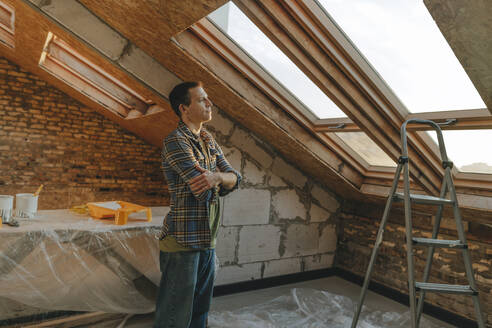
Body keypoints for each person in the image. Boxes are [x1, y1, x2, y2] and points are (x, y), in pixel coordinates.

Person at [154, 81, 241, 328]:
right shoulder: (175, 141)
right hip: (183, 240)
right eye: (202, 99)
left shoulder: (207, 139)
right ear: (184, 108)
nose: (209, 103)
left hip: (207, 239)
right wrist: (220, 180)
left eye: (207, 98)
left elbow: (235, 178)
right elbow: (201, 190)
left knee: (200, 311)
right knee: (174, 315)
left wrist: (217, 178)